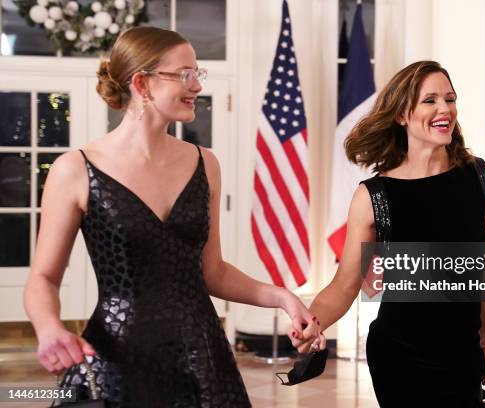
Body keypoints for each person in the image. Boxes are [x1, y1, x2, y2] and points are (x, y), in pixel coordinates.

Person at [24, 26, 321, 407]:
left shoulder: (205, 163)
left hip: (203, 357)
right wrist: (49, 329)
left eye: (198, 73)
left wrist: (283, 297)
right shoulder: (76, 169)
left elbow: (213, 272)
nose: (197, 85)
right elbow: (43, 278)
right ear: (142, 83)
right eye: (185, 74)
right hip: (117, 358)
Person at [290, 61, 485, 407]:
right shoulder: (373, 196)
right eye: (430, 100)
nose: (444, 108)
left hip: (461, 350)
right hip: (401, 355)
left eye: (450, 98)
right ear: (402, 114)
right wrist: (313, 322)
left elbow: (484, 264)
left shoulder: (480, 176)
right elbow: (344, 285)